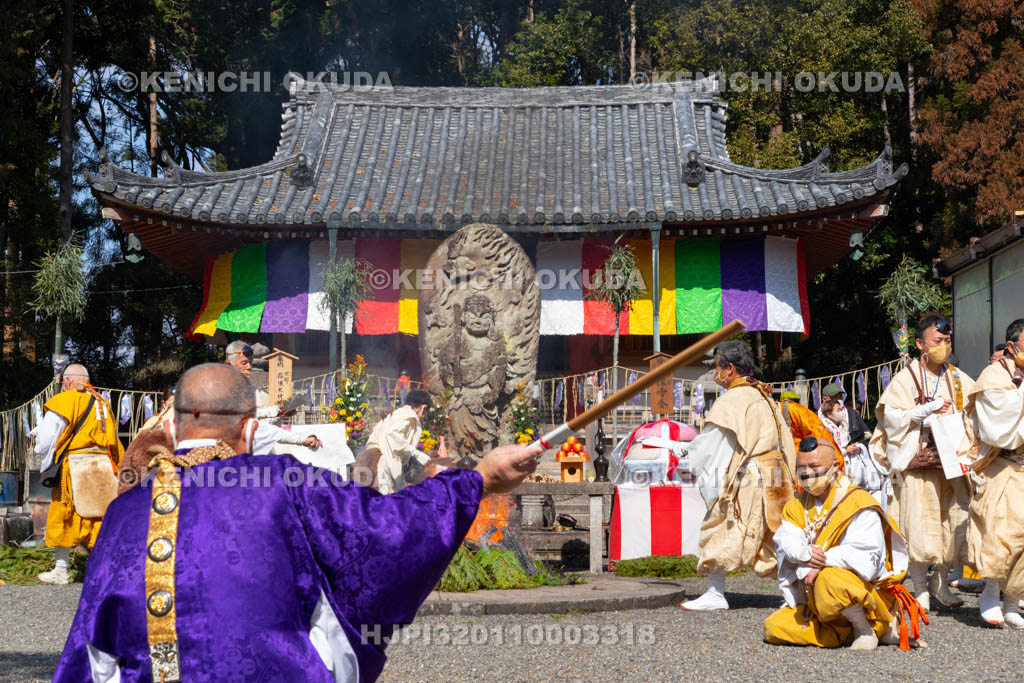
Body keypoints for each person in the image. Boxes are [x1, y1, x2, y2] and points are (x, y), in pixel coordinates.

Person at [53, 363, 539, 682]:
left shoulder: (126, 512)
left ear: (172, 427)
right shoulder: (283, 481)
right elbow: (389, 530)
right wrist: (477, 480)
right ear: (249, 428)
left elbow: (93, 643)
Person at [763, 438, 924, 650]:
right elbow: (787, 538)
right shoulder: (797, 503)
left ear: (836, 467)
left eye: (814, 467)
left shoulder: (859, 501)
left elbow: (866, 555)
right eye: (801, 467)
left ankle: (864, 627)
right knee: (773, 627)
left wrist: (821, 561)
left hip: (862, 593)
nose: (807, 473)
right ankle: (872, 630)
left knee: (828, 578)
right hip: (816, 599)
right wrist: (804, 556)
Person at [673, 340, 796, 611]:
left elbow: (712, 444)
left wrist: (686, 450)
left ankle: (716, 593)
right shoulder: (762, 395)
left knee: (721, 526)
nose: (716, 373)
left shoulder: (733, 400)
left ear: (729, 369)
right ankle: (795, 596)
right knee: (780, 535)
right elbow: (784, 438)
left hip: (752, 476)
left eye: (717, 367)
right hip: (777, 472)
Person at [869, 313, 975, 612]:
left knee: (955, 521)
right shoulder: (906, 378)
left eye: (947, 340)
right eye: (937, 340)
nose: (944, 345)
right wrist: (918, 417)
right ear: (920, 344)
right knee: (918, 525)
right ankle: (918, 586)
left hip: (951, 464)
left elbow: (976, 409)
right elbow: (890, 419)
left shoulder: (957, 377)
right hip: (918, 463)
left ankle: (941, 580)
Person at [32, 364, 124, 585]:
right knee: (100, 516)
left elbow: (47, 437)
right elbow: (113, 440)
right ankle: (104, 570)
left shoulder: (68, 399)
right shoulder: (103, 402)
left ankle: (61, 570)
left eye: (64, 381)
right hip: (102, 467)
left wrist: (38, 445)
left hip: (75, 466)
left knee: (63, 514)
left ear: (69, 381)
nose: (64, 385)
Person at [963, 318, 1024, 627]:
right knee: (1000, 532)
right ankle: (990, 593)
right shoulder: (992, 376)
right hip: (1002, 464)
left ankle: (1013, 601)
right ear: (1011, 346)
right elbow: (998, 428)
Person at [354, 389, 434, 494]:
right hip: (381, 461)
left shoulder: (398, 413)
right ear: (423, 407)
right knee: (388, 500)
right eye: (426, 412)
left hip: (369, 456)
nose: (424, 416)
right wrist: (417, 454)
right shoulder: (409, 415)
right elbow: (393, 434)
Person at [819, 383, 886, 504]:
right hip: (833, 469)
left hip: (855, 467)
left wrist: (860, 445)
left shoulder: (851, 414)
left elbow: (867, 434)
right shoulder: (817, 420)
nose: (839, 400)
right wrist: (845, 450)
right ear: (825, 399)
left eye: (840, 396)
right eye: (835, 397)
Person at [779, 390, 844, 470]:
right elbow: (819, 437)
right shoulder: (800, 411)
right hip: (800, 460)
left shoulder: (773, 411)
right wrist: (839, 463)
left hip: (778, 461)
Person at [225, 340, 279, 420]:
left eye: (251, 363)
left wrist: (282, 411)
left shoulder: (253, 390)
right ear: (229, 365)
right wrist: (267, 412)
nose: (249, 367)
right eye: (244, 363)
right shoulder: (221, 389)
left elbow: (268, 404)